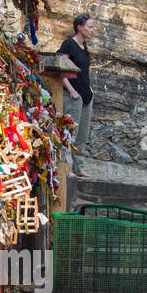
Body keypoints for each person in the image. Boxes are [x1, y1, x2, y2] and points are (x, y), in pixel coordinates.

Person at [57, 14, 94, 176]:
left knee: (82, 133)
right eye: (90, 26)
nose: (92, 30)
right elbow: (60, 67)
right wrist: (70, 89)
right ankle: (66, 167)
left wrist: (90, 88)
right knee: (70, 132)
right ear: (80, 27)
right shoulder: (69, 45)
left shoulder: (84, 47)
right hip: (73, 95)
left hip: (85, 95)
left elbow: (84, 71)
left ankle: (78, 167)